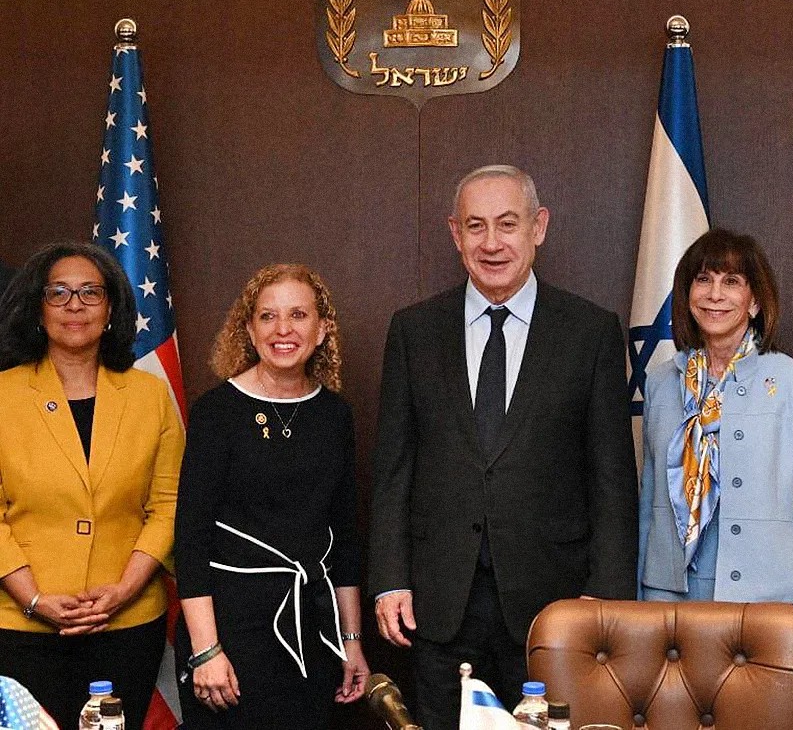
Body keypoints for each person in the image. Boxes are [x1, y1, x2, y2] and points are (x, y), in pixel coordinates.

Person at [370, 164, 638, 730]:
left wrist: (604, 594)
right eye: (475, 226)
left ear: (538, 227)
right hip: (439, 604)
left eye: (507, 224)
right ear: (454, 233)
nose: (492, 243)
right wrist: (390, 576)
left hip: (554, 607)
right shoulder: (414, 331)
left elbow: (611, 475)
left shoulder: (589, 332)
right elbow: (394, 468)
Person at [638, 228, 793, 730]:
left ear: (755, 300)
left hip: (773, 611)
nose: (715, 294)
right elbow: (650, 504)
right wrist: (639, 612)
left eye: (731, 281)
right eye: (703, 280)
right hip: (674, 604)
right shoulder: (662, 384)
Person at [174, 264, 368, 728]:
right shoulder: (216, 412)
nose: (283, 330)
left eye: (298, 315)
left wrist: (352, 640)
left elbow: (344, 537)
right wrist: (206, 651)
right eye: (267, 316)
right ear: (248, 329)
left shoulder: (334, 415)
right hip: (230, 633)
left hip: (314, 629)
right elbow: (190, 539)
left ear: (322, 330)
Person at [0, 241, 184, 729]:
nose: (74, 305)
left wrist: (123, 591)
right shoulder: (3, 394)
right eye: (58, 292)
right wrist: (35, 599)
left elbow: (167, 504)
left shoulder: (150, 396)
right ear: (38, 310)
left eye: (89, 292)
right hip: (22, 625)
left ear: (111, 309)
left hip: (125, 622)